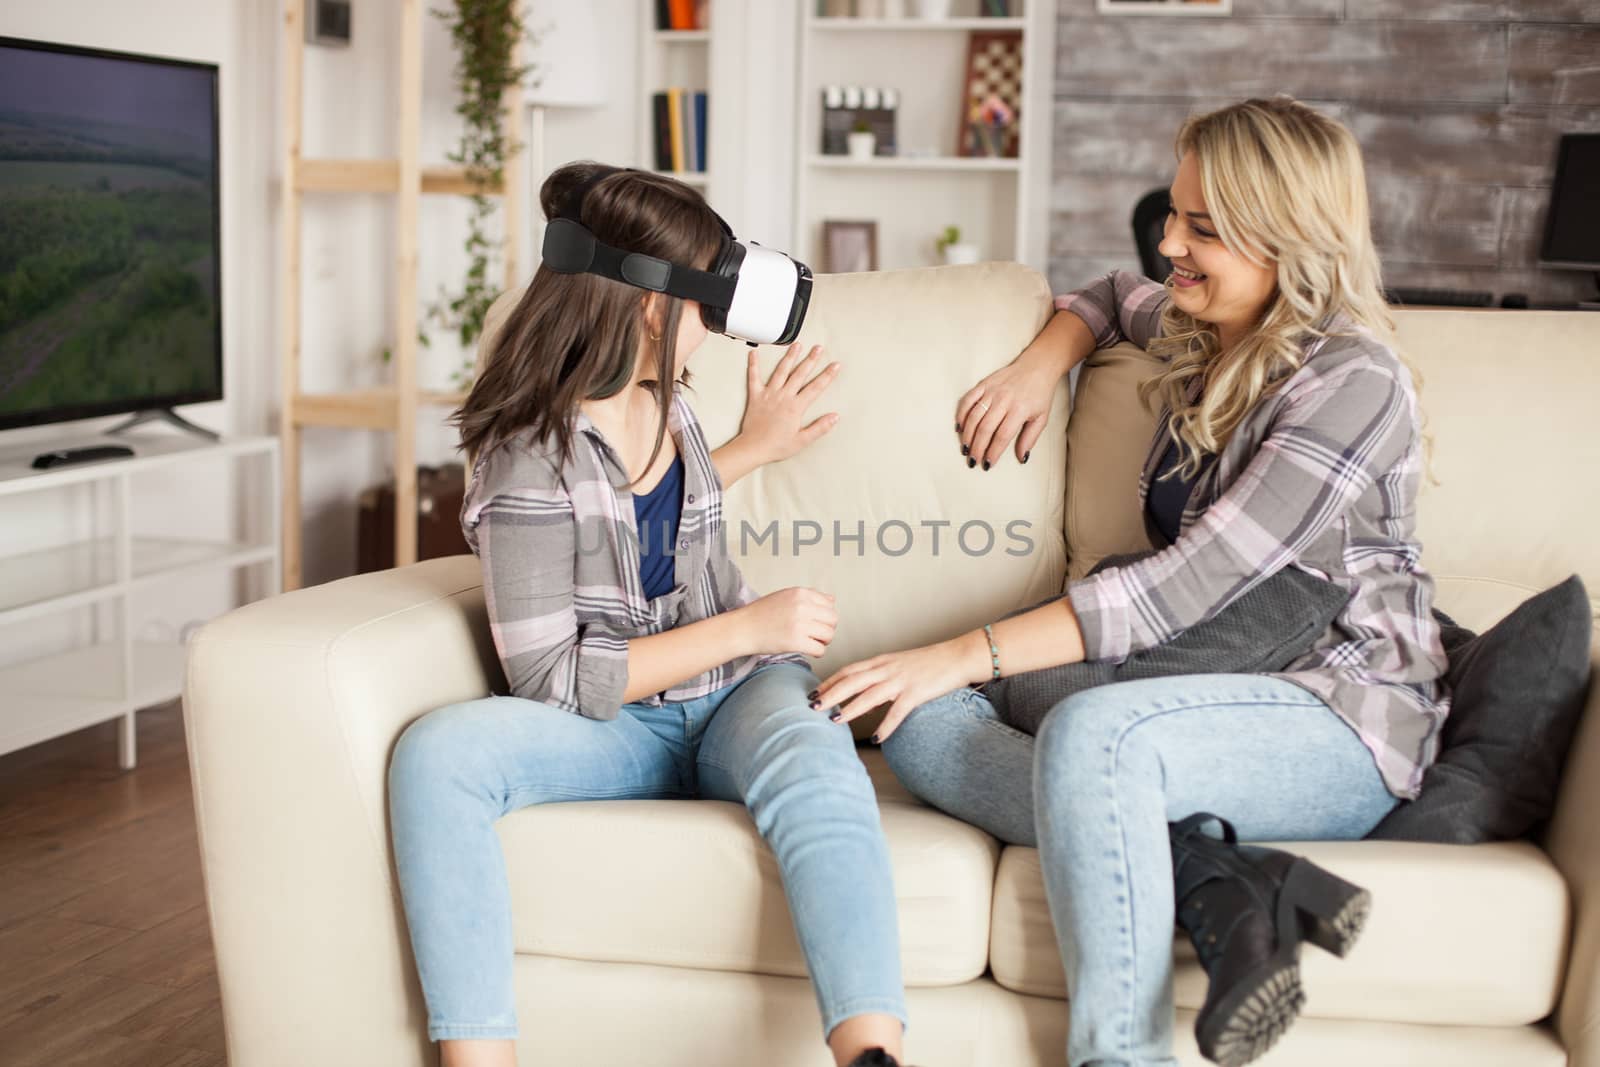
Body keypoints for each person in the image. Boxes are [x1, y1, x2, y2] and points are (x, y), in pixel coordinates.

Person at [811, 96, 1451, 1067]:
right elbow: (1109, 292)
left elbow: (1165, 595)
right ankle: (1217, 874)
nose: (1169, 241)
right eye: (1173, 214)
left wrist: (955, 650)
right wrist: (1040, 363)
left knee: (1079, 730)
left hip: (1334, 710)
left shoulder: (1349, 381)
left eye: (1201, 225)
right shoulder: (1210, 325)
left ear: (1287, 238)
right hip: (1191, 689)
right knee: (925, 721)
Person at [388, 163, 912, 1067]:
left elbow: (649, 521)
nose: (710, 334)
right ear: (649, 308)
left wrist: (755, 447)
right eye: (705, 311)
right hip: (616, 731)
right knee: (438, 755)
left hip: (734, 700)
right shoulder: (528, 455)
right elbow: (550, 678)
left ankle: (874, 1053)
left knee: (811, 747)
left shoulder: (668, 407)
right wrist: (753, 627)